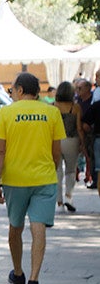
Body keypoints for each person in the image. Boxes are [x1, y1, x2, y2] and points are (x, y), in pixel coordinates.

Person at [0, 72, 64, 284]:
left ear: (21, 90)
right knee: (38, 227)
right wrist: (49, 170)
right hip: (44, 179)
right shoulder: (52, 112)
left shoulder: (6, 113)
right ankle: (34, 281)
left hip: (15, 179)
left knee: (15, 227)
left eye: (12, 90)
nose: (11, 93)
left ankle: (18, 272)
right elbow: (56, 153)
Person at [53, 81, 83, 212]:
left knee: (57, 171)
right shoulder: (75, 107)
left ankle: (59, 203)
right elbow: (79, 128)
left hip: (56, 141)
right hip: (72, 140)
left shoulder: (53, 107)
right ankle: (69, 197)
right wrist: (83, 143)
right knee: (71, 170)